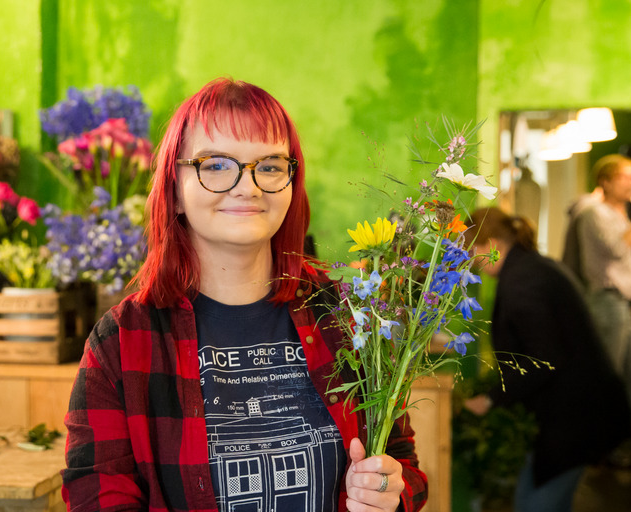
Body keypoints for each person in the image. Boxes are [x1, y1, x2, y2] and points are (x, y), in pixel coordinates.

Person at [62, 78, 428, 512]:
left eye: (270, 165)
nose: (247, 186)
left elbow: (404, 464)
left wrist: (389, 493)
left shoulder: (346, 317)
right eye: (216, 165)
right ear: (175, 189)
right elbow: (96, 495)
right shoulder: (122, 342)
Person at [464, 207, 631, 512]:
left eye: (471, 247)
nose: (470, 259)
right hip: (578, 412)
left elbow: (544, 357)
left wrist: (491, 398)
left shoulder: (523, 280)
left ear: (492, 244)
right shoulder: (531, 268)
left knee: (534, 505)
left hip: (575, 415)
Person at [570, 154, 631, 465]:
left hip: (622, 303)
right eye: (625, 176)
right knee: (610, 378)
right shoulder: (594, 213)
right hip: (607, 302)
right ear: (605, 181)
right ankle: (600, 450)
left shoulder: (618, 214)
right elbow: (620, 248)